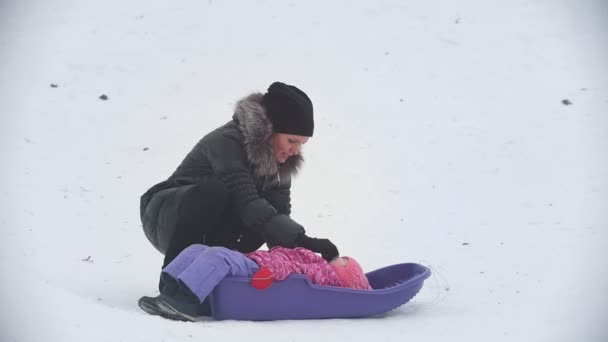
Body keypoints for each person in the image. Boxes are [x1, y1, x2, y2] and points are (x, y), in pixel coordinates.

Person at [139, 82, 340, 276]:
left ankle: (214, 278)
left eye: (301, 144)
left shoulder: (280, 162)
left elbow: (277, 220)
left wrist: (300, 258)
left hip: (213, 222)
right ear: (270, 130)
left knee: (270, 219)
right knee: (226, 193)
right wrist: (305, 240)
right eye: (292, 141)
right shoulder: (226, 141)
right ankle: (172, 282)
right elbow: (246, 201)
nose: (296, 150)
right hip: (166, 216)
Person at [138, 245, 373, 321]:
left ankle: (184, 304)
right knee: (197, 249)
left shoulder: (325, 274)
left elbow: (295, 270)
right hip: (256, 260)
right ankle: (170, 292)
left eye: (345, 261)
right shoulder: (319, 261)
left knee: (216, 256)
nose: (341, 257)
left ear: (344, 274)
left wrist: (270, 271)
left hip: (259, 269)